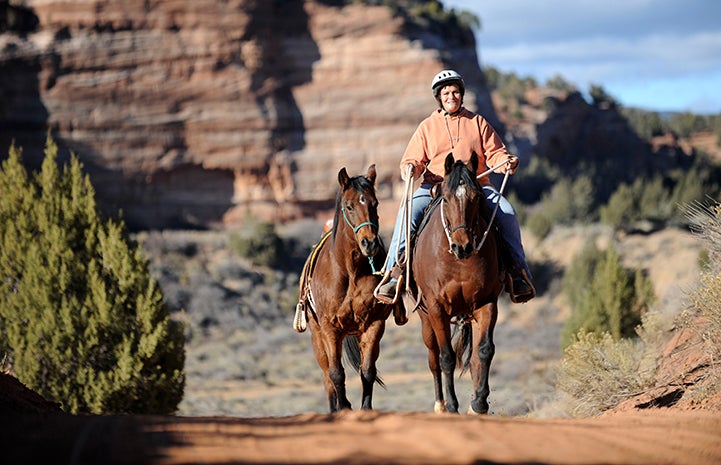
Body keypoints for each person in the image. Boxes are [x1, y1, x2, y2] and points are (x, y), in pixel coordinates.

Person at [376, 69, 535, 304]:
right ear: (439, 97)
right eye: (446, 93)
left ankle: (517, 273)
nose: (452, 96)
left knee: (508, 213)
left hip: (475, 187)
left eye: (456, 92)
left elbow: (495, 153)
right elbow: (413, 159)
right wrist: (410, 168)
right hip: (435, 188)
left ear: (462, 95)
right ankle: (393, 274)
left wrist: (506, 162)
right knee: (406, 215)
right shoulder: (427, 127)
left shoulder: (478, 122)